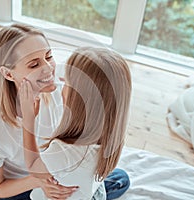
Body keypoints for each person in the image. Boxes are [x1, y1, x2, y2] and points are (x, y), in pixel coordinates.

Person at [0, 23, 130, 200]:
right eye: (34, 64)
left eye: (49, 56)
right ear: (9, 74)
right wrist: (40, 181)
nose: (48, 68)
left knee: (120, 179)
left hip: (51, 168)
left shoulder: (60, 92)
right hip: (17, 187)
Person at [20, 47, 132, 200]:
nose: (60, 82)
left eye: (66, 82)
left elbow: (33, 167)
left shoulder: (63, 151)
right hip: (90, 190)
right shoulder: (113, 135)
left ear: (79, 100)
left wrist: (28, 119)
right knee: (121, 179)